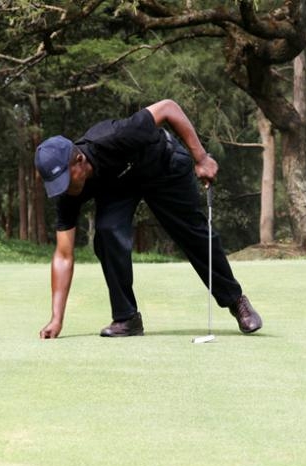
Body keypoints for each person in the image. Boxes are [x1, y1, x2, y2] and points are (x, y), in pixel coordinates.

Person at [34, 99, 262, 339]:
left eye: (66, 180)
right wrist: (56, 319)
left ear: (79, 161)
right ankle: (126, 318)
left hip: (163, 164)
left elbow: (168, 108)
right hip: (120, 185)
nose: (64, 189)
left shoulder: (116, 135)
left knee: (192, 234)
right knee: (107, 232)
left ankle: (236, 302)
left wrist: (201, 158)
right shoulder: (67, 193)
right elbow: (63, 254)